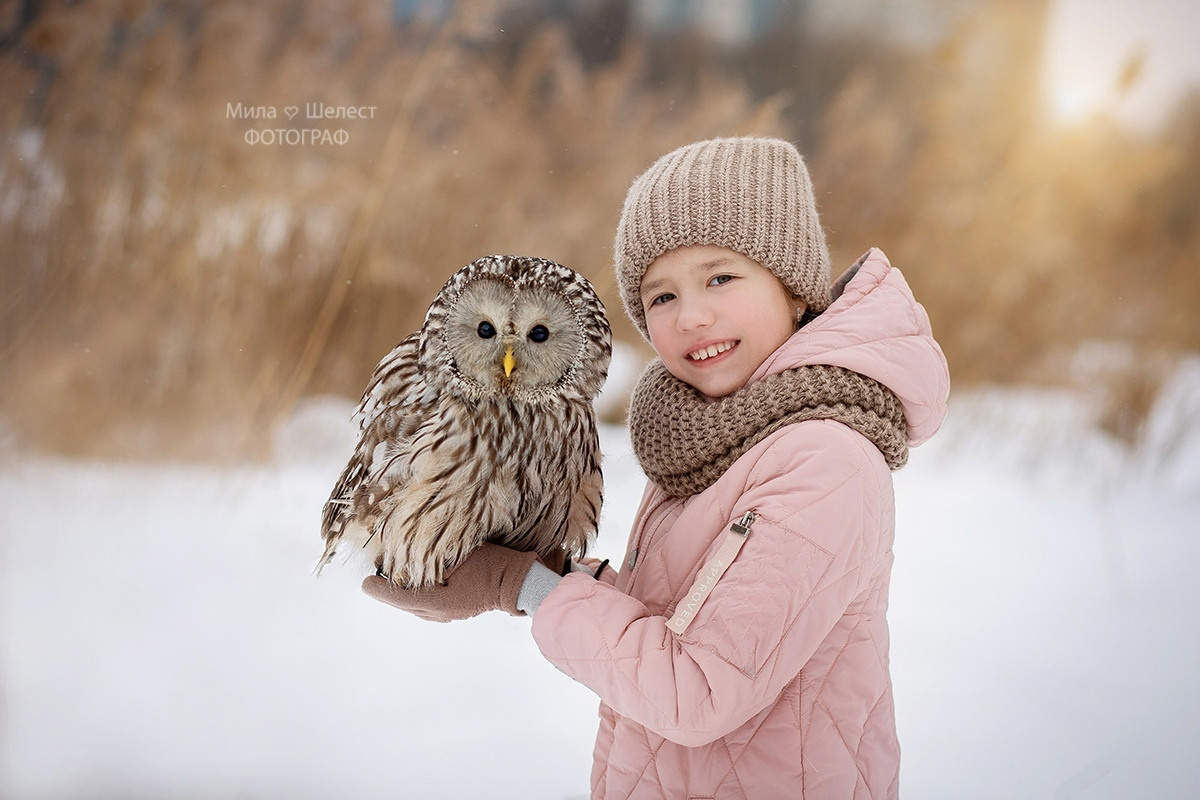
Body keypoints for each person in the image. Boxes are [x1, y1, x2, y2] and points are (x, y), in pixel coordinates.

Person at [363, 136, 950, 798]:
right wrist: (555, 575)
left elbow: (699, 690)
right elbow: (681, 621)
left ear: (793, 288)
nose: (691, 316)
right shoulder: (715, 437)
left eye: (720, 277)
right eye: (661, 296)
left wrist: (518, 586)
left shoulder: (823, 459)